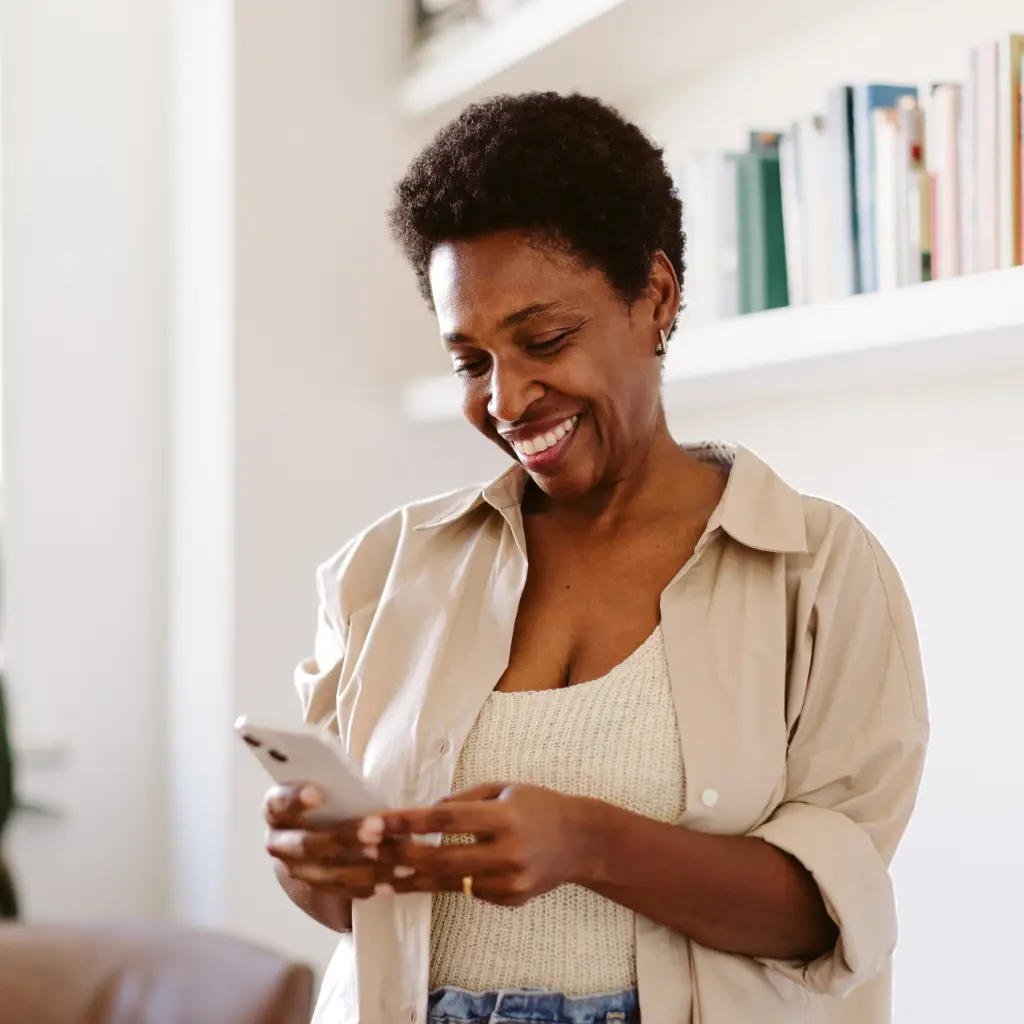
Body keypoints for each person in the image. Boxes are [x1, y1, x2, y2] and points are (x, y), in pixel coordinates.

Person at [264, 92, 929, 1024]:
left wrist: (586, 842)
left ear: (654, 297)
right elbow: (360, 916)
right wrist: (315, 867)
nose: (505, 399)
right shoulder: (385, 570)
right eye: (470, 361)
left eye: (543, 340)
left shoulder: (817, 570)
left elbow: (827, 912)